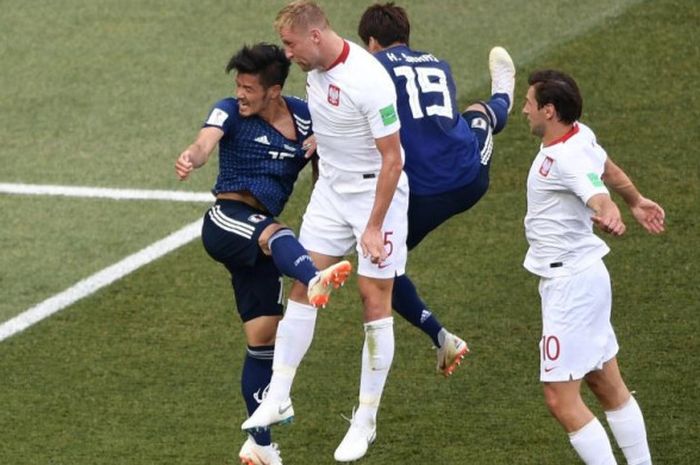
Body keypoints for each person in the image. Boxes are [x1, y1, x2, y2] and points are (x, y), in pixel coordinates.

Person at [241, 1, 408, 462]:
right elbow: (333, 125)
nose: (287, 54)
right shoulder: (315, 73)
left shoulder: (370, 80)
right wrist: (322, 142)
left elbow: (393, 158)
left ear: (315, 36)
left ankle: (365, 420)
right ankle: (279, 394)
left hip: (377, 195)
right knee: (303, 282)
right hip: (332, 190)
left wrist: (373, 226)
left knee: (373, 300)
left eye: (292, 44)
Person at [174, 42, 351, 465]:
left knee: (263, 340)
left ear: (273, 90)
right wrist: (192, 157)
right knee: (277, 234)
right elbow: (205, 142)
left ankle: (260, 443)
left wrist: (323, 151)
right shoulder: (230, 112)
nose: (241, 94)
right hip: (228, 220)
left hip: (259, 239)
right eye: (238, 85)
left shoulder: (306, 116)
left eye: (249, 87)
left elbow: (327, 167)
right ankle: (314, 278)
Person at [357, 3, 516, 376]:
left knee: (380, 272)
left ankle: (439, 333)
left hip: (422, 193)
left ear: (372, 42)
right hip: (467, 176)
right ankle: (503, 97)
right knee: (478, 116)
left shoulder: (372, 67)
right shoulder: (437, 63)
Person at [522, 69, 663, 465]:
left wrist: (612, 211)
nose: (524, 110)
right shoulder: (579, 135)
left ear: (549, 111)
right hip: (586, 278)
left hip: (570, 286)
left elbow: (596, 192)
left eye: (530, 103)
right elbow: (606, 168)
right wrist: (636, 200)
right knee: (605, 382)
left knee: (559, 397)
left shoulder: (563, 157)